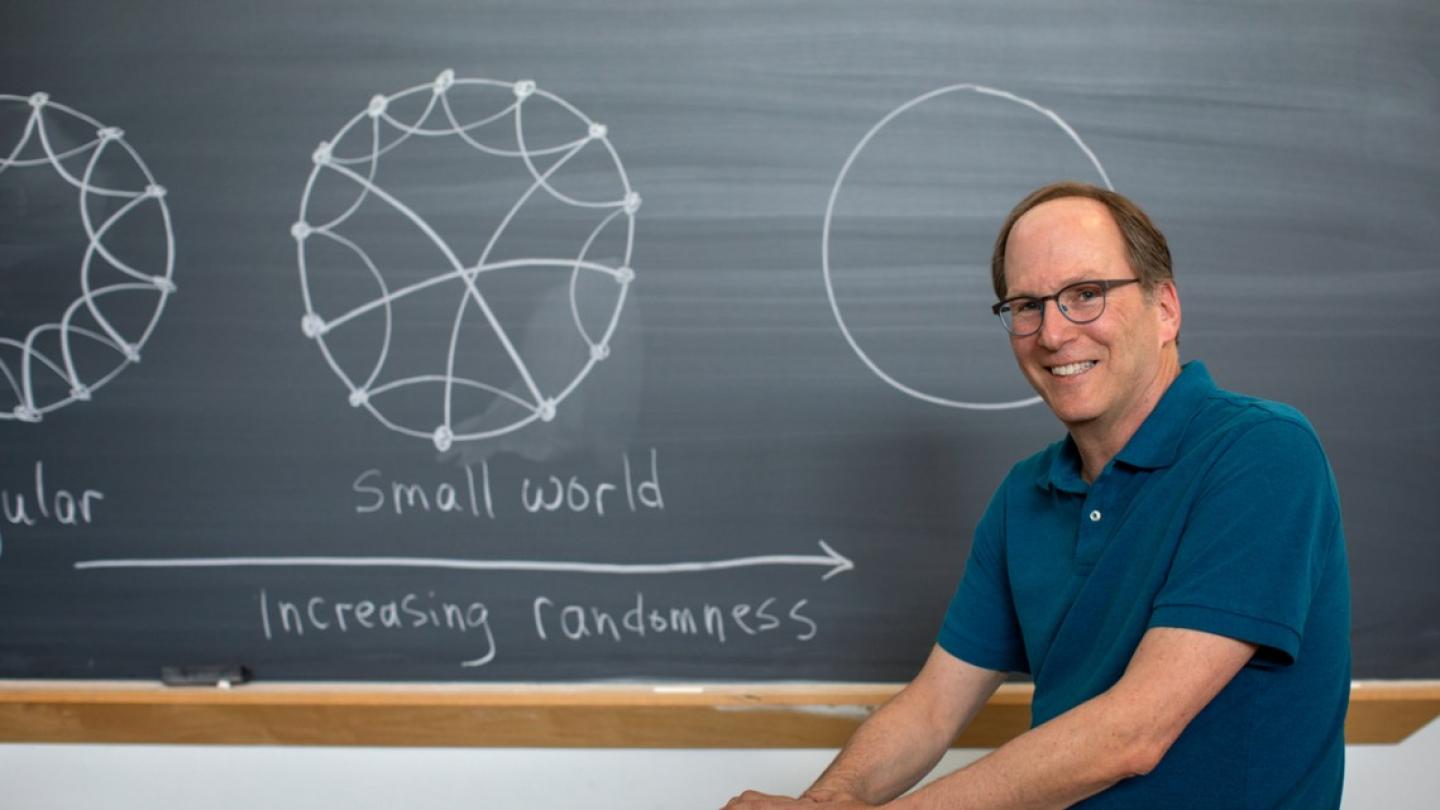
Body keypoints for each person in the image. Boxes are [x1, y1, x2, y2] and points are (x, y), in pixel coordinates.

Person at [725, 181, 1350, 809]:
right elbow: (932, 710)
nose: (1052, 333)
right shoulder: (1025, 494)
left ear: (1165, 308)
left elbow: (1133, 732)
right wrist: (821, 805)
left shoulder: (1261, 452)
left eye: (1086, 295)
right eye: (1026, 305)